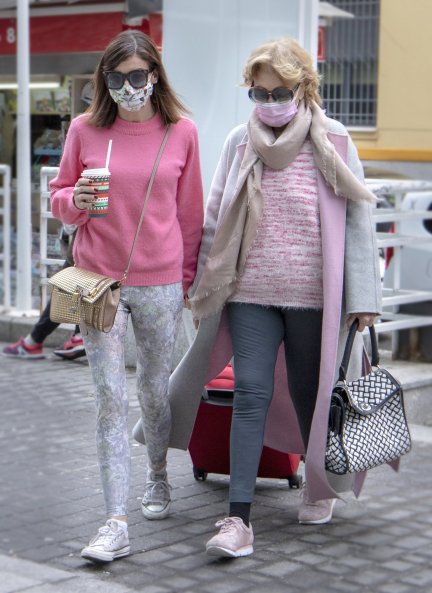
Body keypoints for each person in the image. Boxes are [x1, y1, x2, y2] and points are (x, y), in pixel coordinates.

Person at [135, 37, 382, 558]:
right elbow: (215, 215)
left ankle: (318, 485)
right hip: (250, 295)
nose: (269, 101)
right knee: (249, 395)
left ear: (303, 88)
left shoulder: (333, 140)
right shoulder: (237, 142)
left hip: (316, 300)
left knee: (312, 395)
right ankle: (238, 519)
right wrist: (200, 284)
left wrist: (363, 298)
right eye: (259, 91)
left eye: (280, 90)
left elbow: (359, 220)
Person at [50, 30, 203, 563]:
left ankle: (158, 475)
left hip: (161, 283)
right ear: (105, 81)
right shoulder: (86, 130)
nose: (129, 87)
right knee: (109, 400)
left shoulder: (182, 132)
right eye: (117, 79)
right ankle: (114, 521)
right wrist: (77, 201)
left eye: (138, 76)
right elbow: (59, 199)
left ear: (155, 76)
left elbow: (190, 216)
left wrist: (187, 284)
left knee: (155, 392)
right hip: (98, 283)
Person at [3, 225, 85, 361]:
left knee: (64, 291)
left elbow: (74, 215)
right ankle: (80, 335)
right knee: (83, 289)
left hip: (89, 245)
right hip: (116, 248)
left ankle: (33, 342)